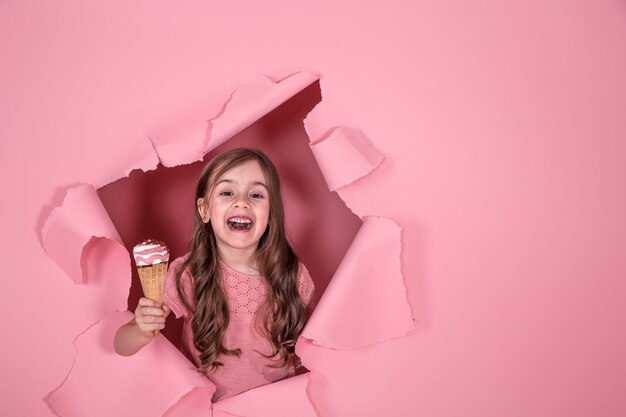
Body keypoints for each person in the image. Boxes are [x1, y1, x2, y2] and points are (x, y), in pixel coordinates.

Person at [114, 148, 316, 401]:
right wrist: (142, 328)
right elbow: (121, 345)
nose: (241, 201)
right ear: (205, 210)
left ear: (271, 213)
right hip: (207, 408)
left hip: (274, 407)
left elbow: (317, 341)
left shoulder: (293, 275)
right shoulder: (189, 273)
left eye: (256, 194)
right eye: (227, 192)